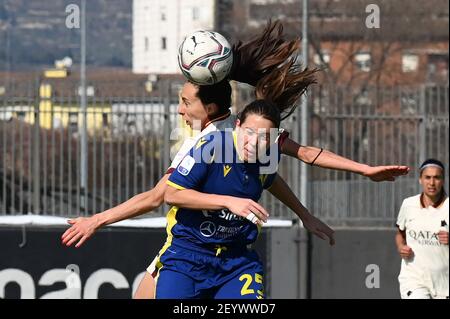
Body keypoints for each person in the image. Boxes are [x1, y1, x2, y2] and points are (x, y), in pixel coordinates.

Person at [61, 20, 410, 299]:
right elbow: (293, 160)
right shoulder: (229, 132)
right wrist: (360, 171)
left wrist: (97, 220)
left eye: (186, 101)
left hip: (226, 255)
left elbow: (159, 196)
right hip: (189, 249)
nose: (180, 109)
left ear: (209, 108)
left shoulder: (227, 138)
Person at [395, 158, 448, 299]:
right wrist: (401, 247)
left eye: (436, 178)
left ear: (443, 180)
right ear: (420, 180)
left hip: (444, 285)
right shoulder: (408, 204)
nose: (431, 183)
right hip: (414, 281)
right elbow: (400, 234)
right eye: (427, 177)